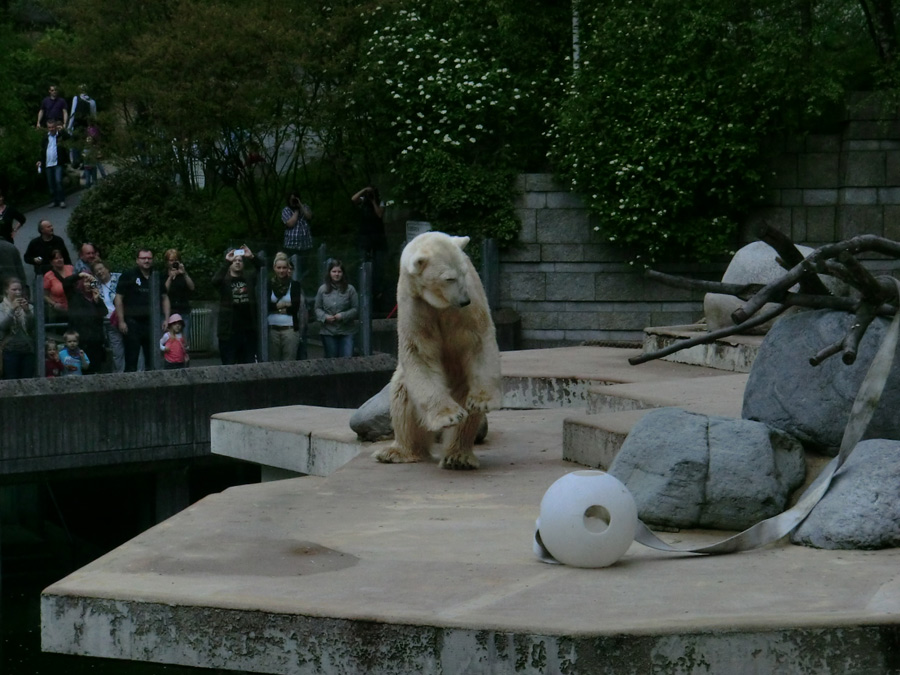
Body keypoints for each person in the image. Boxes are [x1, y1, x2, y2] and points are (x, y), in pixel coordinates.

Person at [114, 248, 170, 372]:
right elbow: (118, 299)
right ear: (137, 260)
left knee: (152, 358)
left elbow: (165, 297)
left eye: (149, 258)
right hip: (132, 322)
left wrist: (166, 319)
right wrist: (121, 320)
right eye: (143, 258)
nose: (146, 261)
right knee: (131, 359)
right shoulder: (128, 275)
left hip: (152, 323)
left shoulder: (157, 276)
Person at [212, 245, 261, 365]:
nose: (238, 262)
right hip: (229, 333)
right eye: (235, 260)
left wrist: (251, 257)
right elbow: (214, 281)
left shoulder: (248, 277)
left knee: (248, 365)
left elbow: (262, 267)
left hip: (248, 331)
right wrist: (226, 262)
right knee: (229, 366)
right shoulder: (224, 280)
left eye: (240, 260)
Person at [64, 270, 107, 373]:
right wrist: (81, 275)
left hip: (95, 342)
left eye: (91, 282)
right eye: (85, 281)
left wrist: (97, 301)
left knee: (95, 370)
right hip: (79, 341)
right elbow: (66, 283)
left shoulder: (95, 298)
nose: (88, 284)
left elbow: (104, 312)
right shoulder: (74, 295)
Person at [314, 259, 358, 358]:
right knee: (332, 361)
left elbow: (355, 309)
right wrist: (325, 317)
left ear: (343, 273)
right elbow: (317, 308)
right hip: (328, 331)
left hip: (346, 331)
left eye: (339, 272)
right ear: (329, 273)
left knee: (347, 358)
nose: (336, 274)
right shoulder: (322, 289)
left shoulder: (350, 289)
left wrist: (342, 316)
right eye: (334, 271)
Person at [267, 252, 306, 362]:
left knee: (289, 363)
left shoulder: (295, 285)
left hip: (290, 329)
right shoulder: (268, 284)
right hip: (272, 329)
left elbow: (295, 307)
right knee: (272, 363)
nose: (281, 270)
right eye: (279, 267)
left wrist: (276, 307)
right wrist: (283, 306)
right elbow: (266, 306)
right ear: (274, 268)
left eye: (284, 267)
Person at [92, 259, 124, 373]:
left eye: (101, 269)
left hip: (124, 318)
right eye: (96, 271)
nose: (100, 272)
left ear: (107, 268)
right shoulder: (95, 284)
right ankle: (120, 375)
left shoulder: (120, 277)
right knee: (117, 352)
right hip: (109, 322)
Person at [0, 276, 35, 379]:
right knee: (11, 379)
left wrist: (27, 311)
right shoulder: (1, 307)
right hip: (9, 349)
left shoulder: (29, 306)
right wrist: (12, 310)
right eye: (14, 289)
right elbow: (2, 326)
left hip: (27, 349)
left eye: (19, 289)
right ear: (6, 290)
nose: (18, 292)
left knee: (27, 380)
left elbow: (32, 326)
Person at [280, 189, 313, 282]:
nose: (294, 201)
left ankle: (301, 284)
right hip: (291, 245)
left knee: (304, 268)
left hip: (305, 245)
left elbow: (309, 216)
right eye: (292, 200)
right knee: (291, 267)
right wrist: (296, 211)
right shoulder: (286, 210)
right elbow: (290, 223)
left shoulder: (304, 207)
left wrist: (300, 206)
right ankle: (292, 284)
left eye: (295, 199)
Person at [163, 248, 194, 344]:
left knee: (184, 342)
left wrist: (184, 274)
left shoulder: (182, 273)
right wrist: (170, 277)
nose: (174, 262)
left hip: (183, 311)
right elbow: (164, 291)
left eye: (176, 260)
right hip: (169, 312)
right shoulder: (163, 274)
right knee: (169, 342)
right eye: (171, 260)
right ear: (167, 262)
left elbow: (192, 287)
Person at [36, 120, 69, 208]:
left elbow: (69, 138)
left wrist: (62, 130)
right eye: (49, 127)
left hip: (58, 163)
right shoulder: (45, 138)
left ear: (55, 127)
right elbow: (42, 150)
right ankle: (55, 200)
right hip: (48, 164)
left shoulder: (60, 136)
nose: (51, 129)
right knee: (51, 184)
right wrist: (40, 160)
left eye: (53, 127)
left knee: (58, 181)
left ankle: (62, 200)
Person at [42, 249, 74, 322]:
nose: (59, 260)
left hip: (73, 307)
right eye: (56, 258)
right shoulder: (48, 276)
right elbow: (45, 295)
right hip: (59, 311)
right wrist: (54, 304)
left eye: (61, 257)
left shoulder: (70, 268)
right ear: (51, 262)